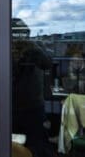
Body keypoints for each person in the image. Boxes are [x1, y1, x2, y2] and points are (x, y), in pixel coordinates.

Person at [11, 18, 53, 157]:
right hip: (13, 105)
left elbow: (47, 63)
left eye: (23, 34)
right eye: (17, 34)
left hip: (33, 105)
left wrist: (31, 47)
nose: (20, 38)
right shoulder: (8, 49)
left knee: (36, 144)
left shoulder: (35, 47)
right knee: (13, 145)